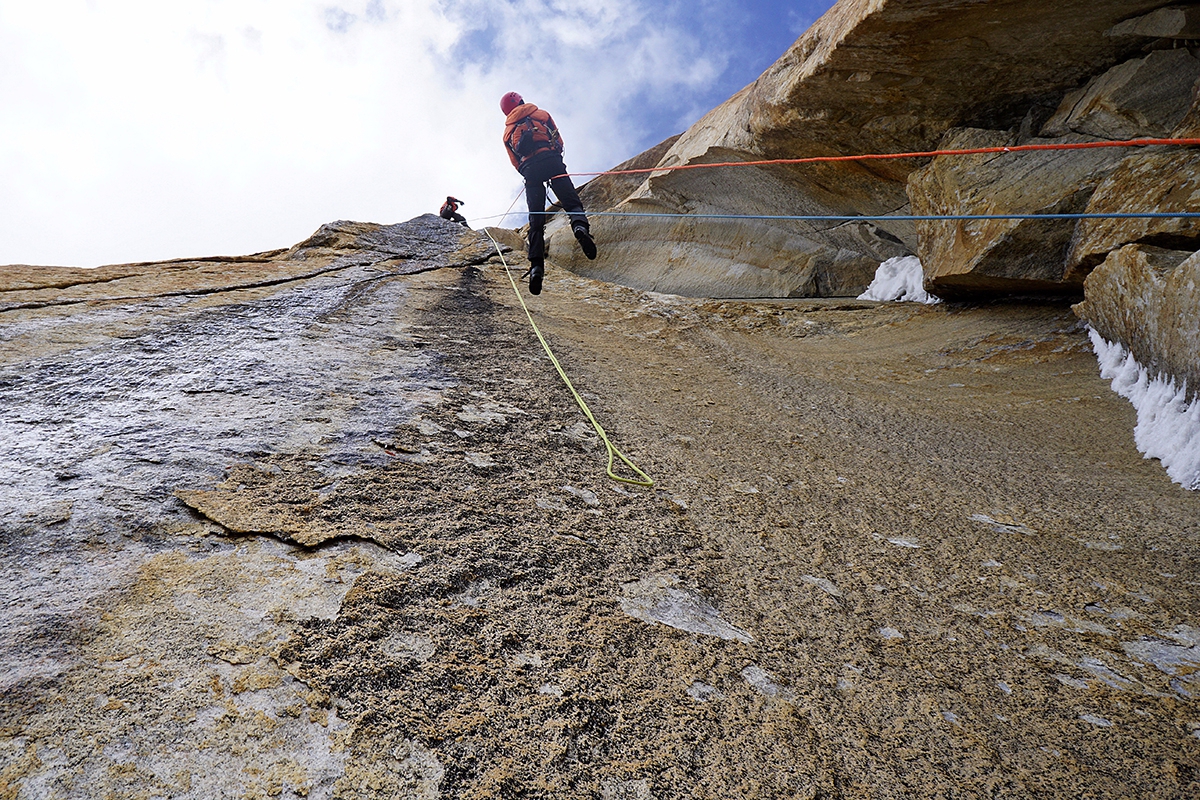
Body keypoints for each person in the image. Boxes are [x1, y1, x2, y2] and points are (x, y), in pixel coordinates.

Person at [500, 91, 596, 295]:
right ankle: (580, 228)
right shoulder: (540, 114)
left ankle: (536, 267)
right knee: (571, 201)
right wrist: (555, 159)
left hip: (530, 170)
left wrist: (529, 171)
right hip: (550, 160)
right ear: (521, 101)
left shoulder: (507, 132)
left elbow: (514, 161)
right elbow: (558, 140)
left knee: (536, 220)